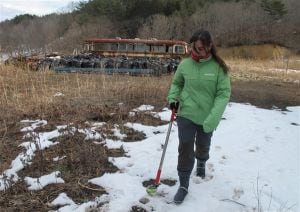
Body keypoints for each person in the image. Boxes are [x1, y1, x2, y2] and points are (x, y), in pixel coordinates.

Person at [167, 30, 231, 204]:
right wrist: (173, 98)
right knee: (185, 147)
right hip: (186, 113)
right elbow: (177, 83)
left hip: (207, 116)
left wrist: (213, 118)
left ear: (209, 47)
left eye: (199, 49)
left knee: (203, 145)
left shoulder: (219, 68)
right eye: (193, 49)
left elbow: (223, 94)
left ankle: (201, 162)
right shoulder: (185, 64)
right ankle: (184, 184)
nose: (195, 53)